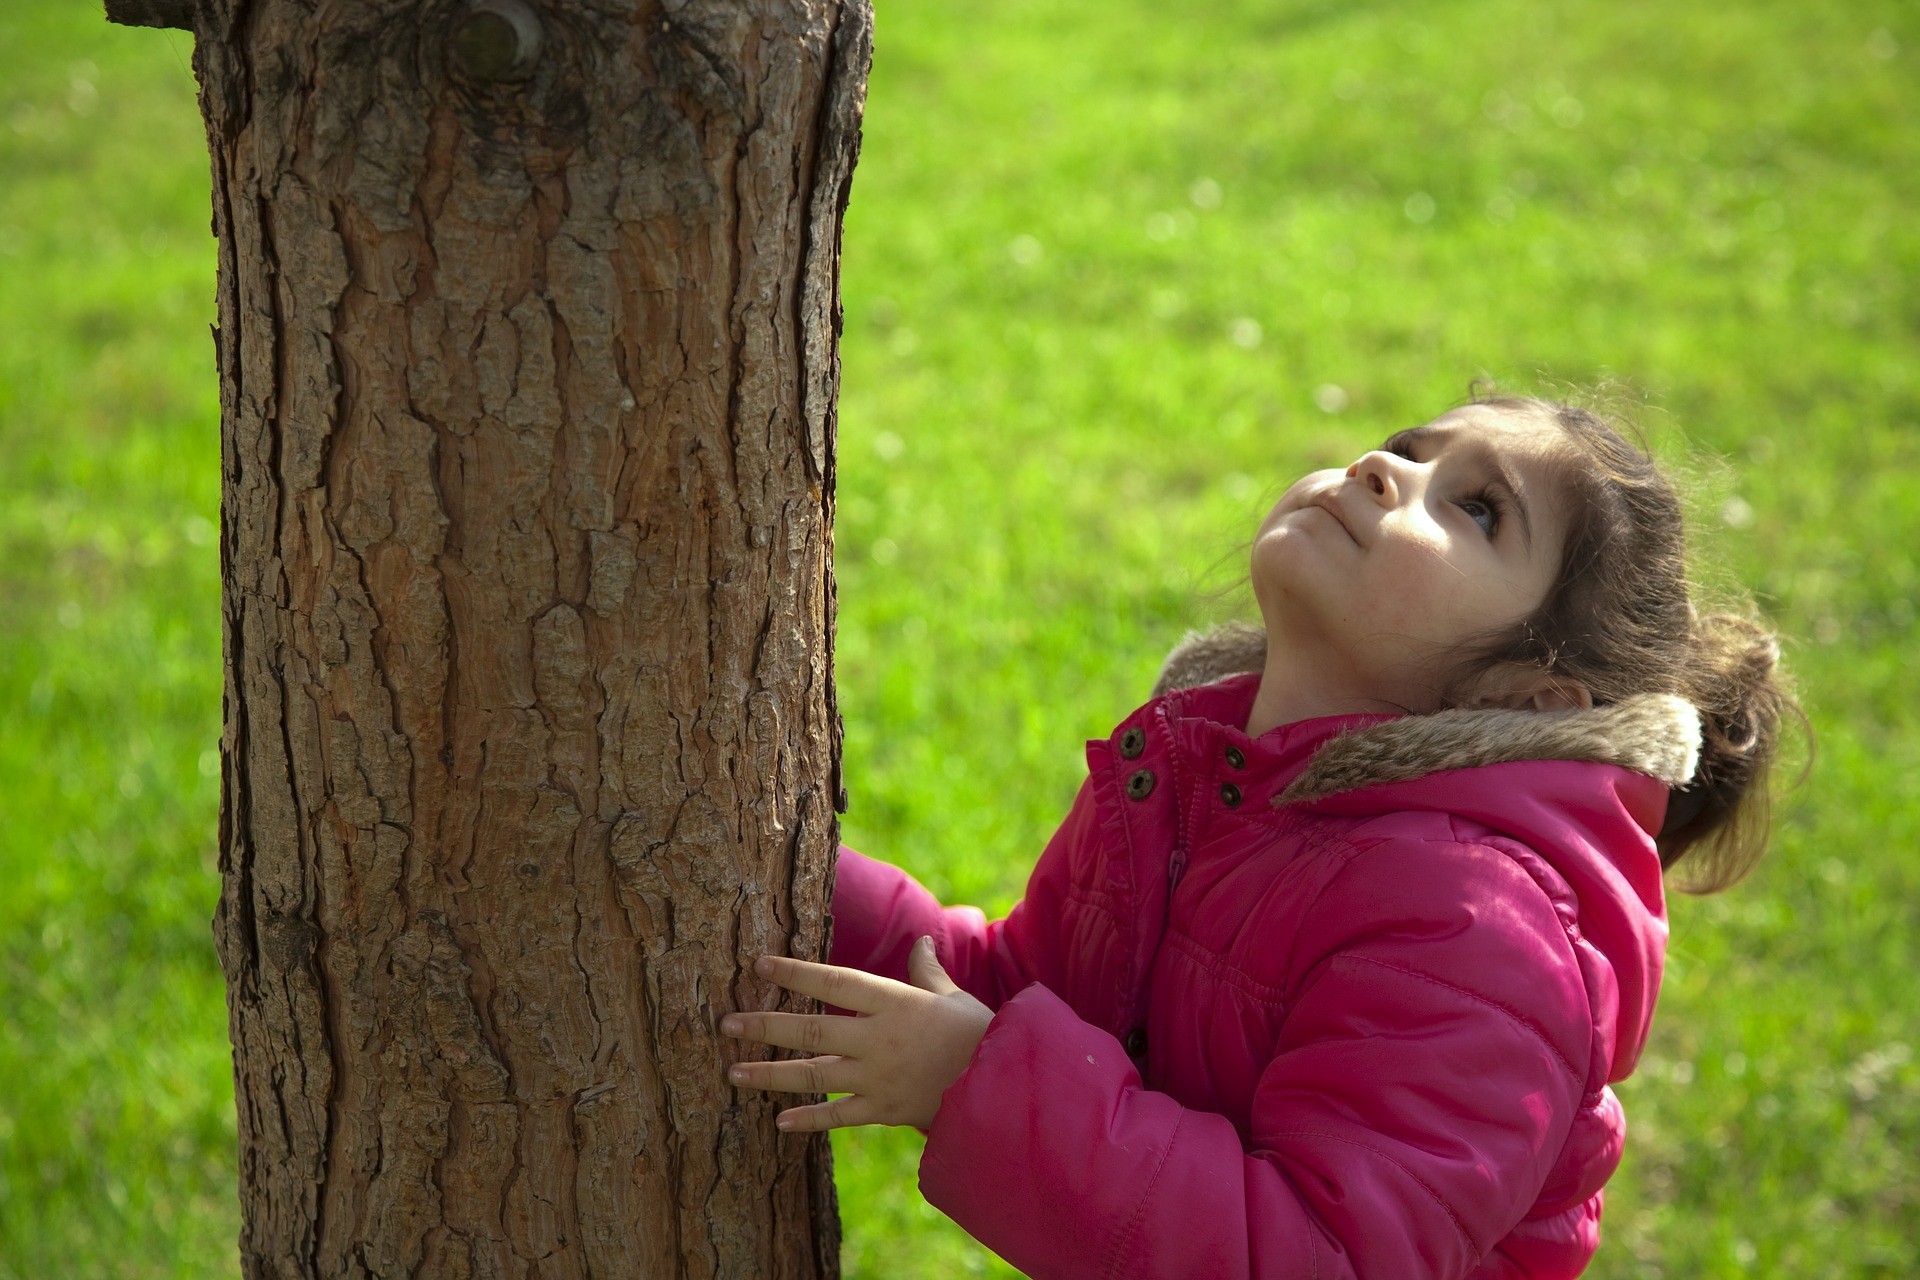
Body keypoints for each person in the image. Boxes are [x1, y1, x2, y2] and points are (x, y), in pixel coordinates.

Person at [719, 394, 1796, 1279]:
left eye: (1476, 508)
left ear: (1537, 696)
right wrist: (770, 875)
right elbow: (1020, 994)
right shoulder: (1204, 779)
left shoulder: (1479, 927)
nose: (1382, 465)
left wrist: (974, 1078)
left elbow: (1322, 1255)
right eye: (1410, 445)